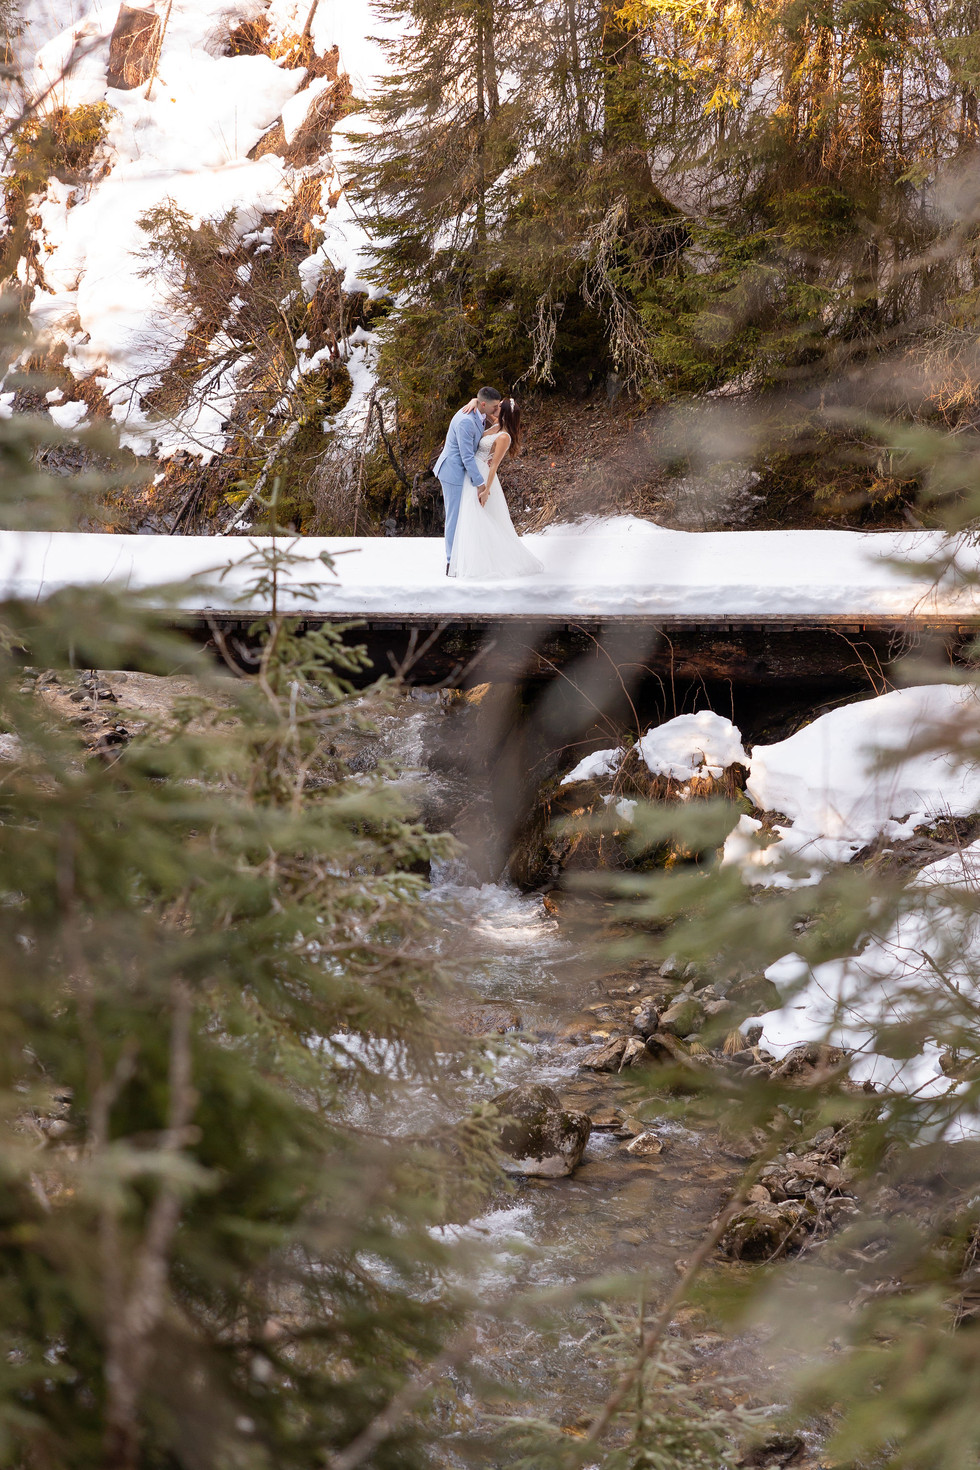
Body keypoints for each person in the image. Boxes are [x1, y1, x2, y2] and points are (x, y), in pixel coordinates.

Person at [448, 397, 543, 580]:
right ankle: (471, 560)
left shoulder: (504, 437)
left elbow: (494, 466)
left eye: (499, 406)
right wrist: (474, 401)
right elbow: (484, 409)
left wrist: (486, 490)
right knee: (470, 515)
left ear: (504, 412)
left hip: (483, 475)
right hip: (473, 471)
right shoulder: (497, 424)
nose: (495, 407)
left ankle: (480, 563)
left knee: (477, 515)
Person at [433, 386, 502, 571]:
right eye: (494, 407)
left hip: (462, 470)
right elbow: (466, 456)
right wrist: (480, 483)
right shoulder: (466, 421)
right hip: (452, 471)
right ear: (484, 404)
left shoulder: (479, 410)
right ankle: (451, 562)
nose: (496, 410)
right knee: (454, 516)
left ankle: (461, 556)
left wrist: (474, 400)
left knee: (461, 514)